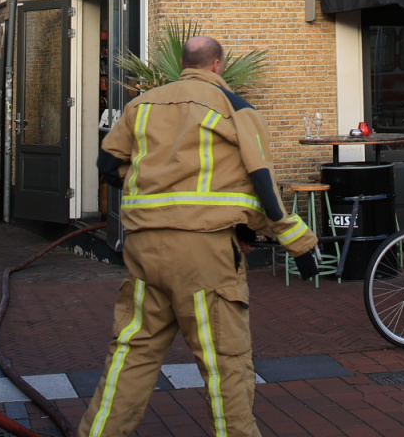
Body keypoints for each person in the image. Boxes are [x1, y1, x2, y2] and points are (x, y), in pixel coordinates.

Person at [77, 36, 319, 437]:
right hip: (204, 254)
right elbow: (262, 183)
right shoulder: (236, 109)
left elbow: (108, 164)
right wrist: (300, 244)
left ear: (183, 64)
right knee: (225, 362)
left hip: (144, 249)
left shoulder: (141, 106)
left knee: (131, 355)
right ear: (218, 65)